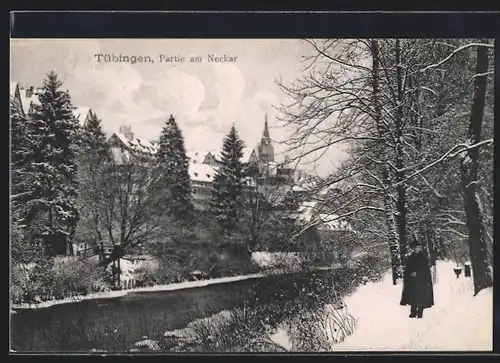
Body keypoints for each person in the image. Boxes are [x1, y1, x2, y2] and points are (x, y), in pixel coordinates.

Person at [400, 236, 434, 318]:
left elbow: (425, 270)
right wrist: (409, 274)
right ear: (412, 249)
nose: (416, 249)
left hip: (421, 281)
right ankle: (413, 312)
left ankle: (420, 312)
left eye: (418, 248)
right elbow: (407, 269)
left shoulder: (423, 258)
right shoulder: (410, 258)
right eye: (414, 248)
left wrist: (418, 274)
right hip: (412, 281)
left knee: (421, 296)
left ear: (420, 248)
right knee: (413, 296)